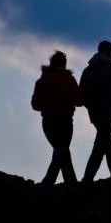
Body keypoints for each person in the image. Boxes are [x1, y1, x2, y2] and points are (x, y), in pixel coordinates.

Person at [31, 50, 82, 185]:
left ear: (51, 63)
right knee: (62, 151)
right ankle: (60, 183)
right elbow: (79, 101)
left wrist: (48, 105)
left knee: (61, 152)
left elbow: (35, 105)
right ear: (64, 64)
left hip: (49, 122)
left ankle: (61, 183)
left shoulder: (43, 80)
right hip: (66, 122)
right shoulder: (69, 80)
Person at [80, 40, 111, 182]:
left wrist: (91, 108)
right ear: (109, 53)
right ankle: (88, 179)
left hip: (95, 114)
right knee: (101, 147)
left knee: (107, 143)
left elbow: (82, 93)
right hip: (109, 113)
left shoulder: (88, 70)